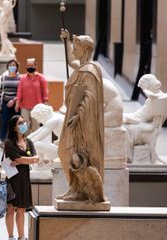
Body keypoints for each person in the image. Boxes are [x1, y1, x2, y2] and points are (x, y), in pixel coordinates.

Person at [57, 31, 105, 202]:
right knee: (65, 151)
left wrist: (78, 116)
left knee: (76, 154)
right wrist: (66, 41)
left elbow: (90, 98)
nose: (73, 51)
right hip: (73, 118)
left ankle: (81, 191)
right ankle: (74, 187)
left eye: (76, 48)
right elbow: (70, 61)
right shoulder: (82, 68)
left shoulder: (90, 71)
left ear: (84, 50)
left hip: (82, 122)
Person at [3, 115, 39, 240]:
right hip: (13, 178)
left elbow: (36, 158)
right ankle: (11, 236)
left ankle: (21, 236)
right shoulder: (9, 143)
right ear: (14, 127)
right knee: (11, 208)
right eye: (20, 123)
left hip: (24, 178)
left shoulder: (29, 142)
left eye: (23, 122)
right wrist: (24, 160)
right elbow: (19, 159)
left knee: (22, 209)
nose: (23, 124)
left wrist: (22, 160)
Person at [15, 58, 49, 132]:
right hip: (24, 106)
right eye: (28, 65)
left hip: (37, 107)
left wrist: (45, 103)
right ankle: (25, 141)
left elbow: (45, 92)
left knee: (36, 126)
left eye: (32, 65)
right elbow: (19, 92)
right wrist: (17, 104)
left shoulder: (41, 78)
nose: (30, 67)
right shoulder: (22, 78)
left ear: (35, 66)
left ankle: (34, 142)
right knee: (24, 126)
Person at [0, 59, 21, 148]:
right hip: (5, 103)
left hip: (16, 102)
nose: (12, 67)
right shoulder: (4, 77)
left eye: (14, 65)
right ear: (7, 66)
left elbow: (20, 92)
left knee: (16, 122)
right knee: (5, 121)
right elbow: (0, 91)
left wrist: (14, 100)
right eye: (10, 65)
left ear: (17, 67)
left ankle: (17, 140)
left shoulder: (20, 78)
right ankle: (2, 140)